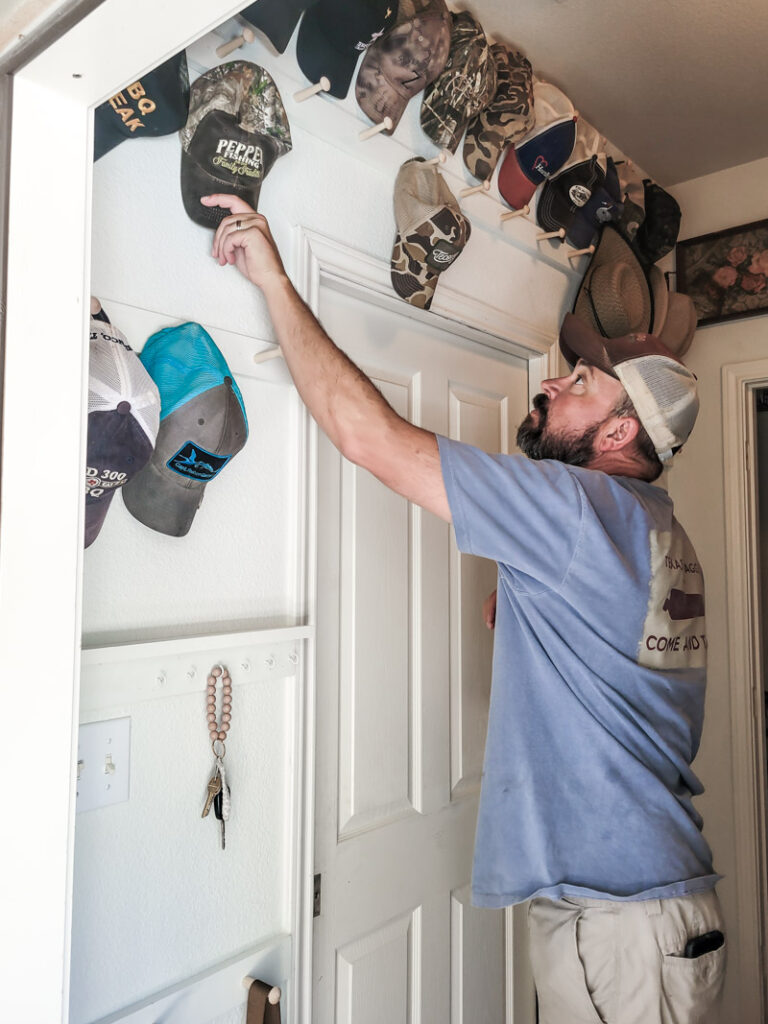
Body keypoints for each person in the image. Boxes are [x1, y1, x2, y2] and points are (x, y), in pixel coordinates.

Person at [200, 193, 726, 1024]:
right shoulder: (661, 534)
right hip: (646, 902)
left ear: (621, 436)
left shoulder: (579, 510)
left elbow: (368, 436)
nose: (553, 382)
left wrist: (272, 277)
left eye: (581, 384)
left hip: (623, 914)